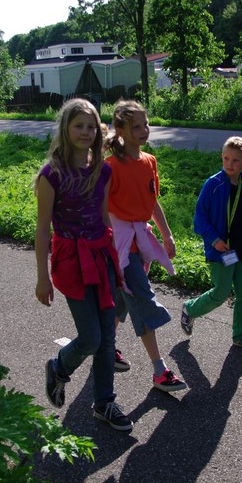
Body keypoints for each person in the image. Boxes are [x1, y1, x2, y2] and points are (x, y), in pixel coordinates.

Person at [35, 98, 132, 432]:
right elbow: (42, 229)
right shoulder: (52, 174)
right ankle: (59, 367)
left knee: (107, 337)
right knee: (90, 338)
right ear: (66, 128)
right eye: (79, 126)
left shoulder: (102, 170)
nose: (86, 132)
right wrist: (42, 277)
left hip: (101, 256)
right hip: (71, 260)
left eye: (91, 126)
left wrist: (117, 261)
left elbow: (105, 218)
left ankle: (104, 403)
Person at [104, 99, 187, 392]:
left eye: (146, 124)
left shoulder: (149, 161)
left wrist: (167, 234)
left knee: (120, 299)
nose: (144, 130)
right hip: (120, 245)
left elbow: (152, 202)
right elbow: (101, 209)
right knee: (141, 298)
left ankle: (105, 348)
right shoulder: (110, 166)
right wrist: (108, 242)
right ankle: (159, 371)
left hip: (140, 238)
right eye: (136, 126)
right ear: (120, 130)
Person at [180, 136, 242, 353]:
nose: (229, 164)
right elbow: (199, 219)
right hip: (222, 250)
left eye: (235, 160)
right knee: (221, 292)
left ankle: (241, 336)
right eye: (226, 158)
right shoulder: (213, 184)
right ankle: (190, 309)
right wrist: (214, 240)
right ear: (221, 157)